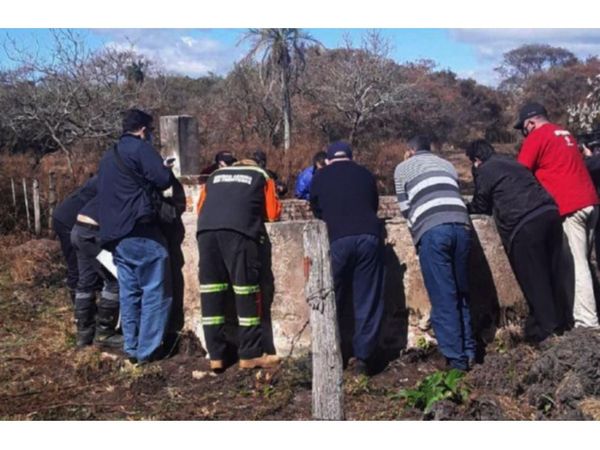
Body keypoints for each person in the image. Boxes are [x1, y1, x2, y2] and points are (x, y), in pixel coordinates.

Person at [465, 139, 564, 342]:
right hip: (550, 213)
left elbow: (480, 205)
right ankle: (561, 321)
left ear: (476, 160)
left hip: (524, 223)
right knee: (553, 274)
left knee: (534, 279)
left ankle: (549, 332)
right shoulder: (511, 162)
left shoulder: (485, 170)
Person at [97, 109, 174, 364]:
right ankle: (148, 352)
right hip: (140, 231)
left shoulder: (109, 156)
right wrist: (165, 168)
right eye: (149, 131)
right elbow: (163, 180)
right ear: (143, 130)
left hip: (115, 236)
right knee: (155, 288)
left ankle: (131, 348)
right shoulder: (140, 149)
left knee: (130, 292)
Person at [515, 102, 600, 328]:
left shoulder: (537, 136)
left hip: (569, 206)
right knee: (584, 262)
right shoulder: (565, 134)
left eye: (524, 129)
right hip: (590, 201)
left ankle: (587, 323)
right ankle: (578, 313)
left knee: (575, 264)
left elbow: (521, 171)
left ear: (531, 123)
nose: (525, 134)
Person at [394, 135, 475, 371]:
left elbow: (405, 209)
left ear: (410, 151)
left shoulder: (403, 168)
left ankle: (456, 361)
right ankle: (469, 350)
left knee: (443, 296)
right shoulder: (446, 164)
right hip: (462, 224)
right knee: (461, 291)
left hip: (433, 229)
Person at [196, 157, 282, 372]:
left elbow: (200, 209)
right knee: (246, 292)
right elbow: (273, 214)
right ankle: (250, 354)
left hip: (206, 233)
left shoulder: (214, 176)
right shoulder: (262, 175)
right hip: (239, 233)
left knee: (211, 292)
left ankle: (216, 356)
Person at [310, 141, 384, 375]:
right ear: (350, 157)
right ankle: (363, 360)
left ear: (329, 159)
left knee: (333, 296)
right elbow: (374, 204)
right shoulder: (365, 173)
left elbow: (316, 208)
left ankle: (334, 354)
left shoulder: (320, 176)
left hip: (337, 238)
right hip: (369, 236)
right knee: (367, 298)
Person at [70, 195, 122, 348]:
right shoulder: (130, 185)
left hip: (79, 229)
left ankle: (84, 335)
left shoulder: (111, 180)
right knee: (115, 280)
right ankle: (105, 334)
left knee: (87, 281)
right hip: (93, 234)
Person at [52, 175, 98, 305]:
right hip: (70, 220)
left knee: (82, 266)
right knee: (77, 266)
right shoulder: (111, 180)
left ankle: (83, 307)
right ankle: (80, 311)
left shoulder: (106, 174)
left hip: (70, 217)